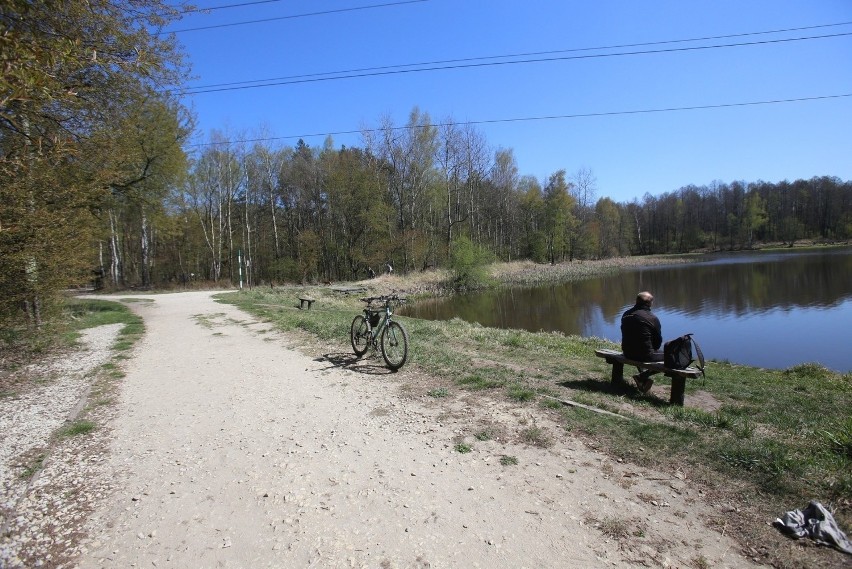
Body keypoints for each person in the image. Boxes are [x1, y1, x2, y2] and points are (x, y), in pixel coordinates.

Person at [620, 291, 663, 393]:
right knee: (673, 356)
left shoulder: (626, 314)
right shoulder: (652, 318)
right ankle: (642, 376)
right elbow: (657, 342)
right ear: (649, 304)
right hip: (645, 355)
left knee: (638, 346)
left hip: (627, 352)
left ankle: (642, 377)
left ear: (636, 301)